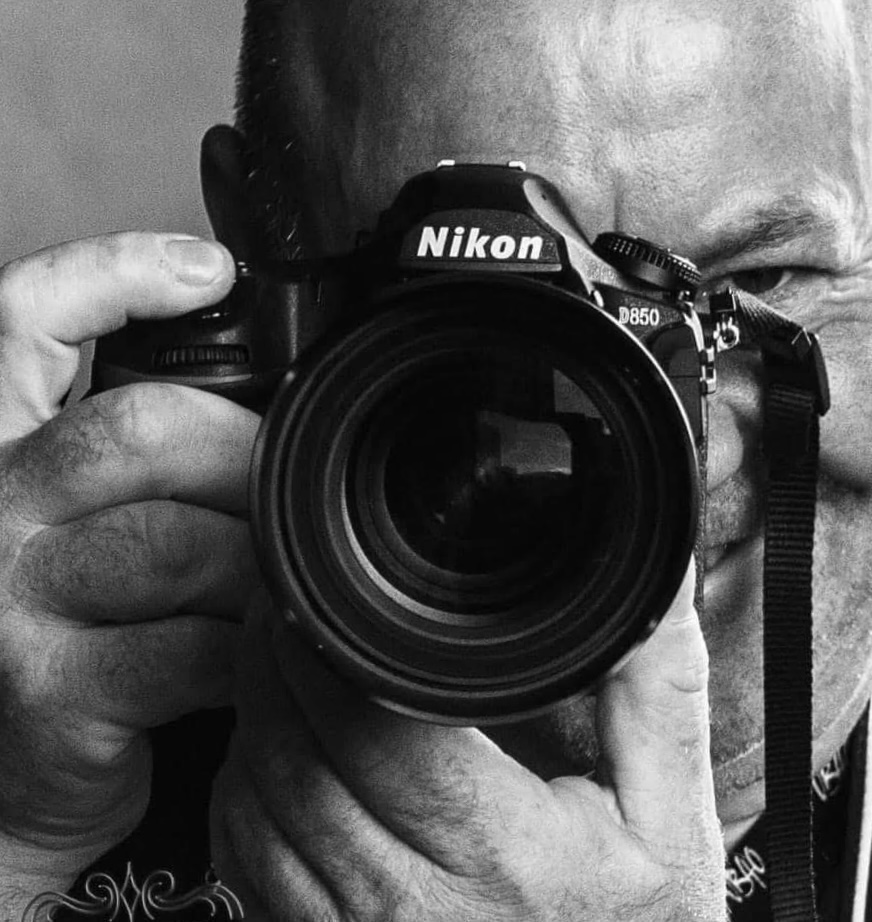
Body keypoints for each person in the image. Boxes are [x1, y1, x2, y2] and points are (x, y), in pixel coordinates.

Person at [1, 0, 871, 919]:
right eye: (488, 306)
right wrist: (22, 845)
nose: (689, 453)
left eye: (762, 284)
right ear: (254, 254)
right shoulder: (65, 733)